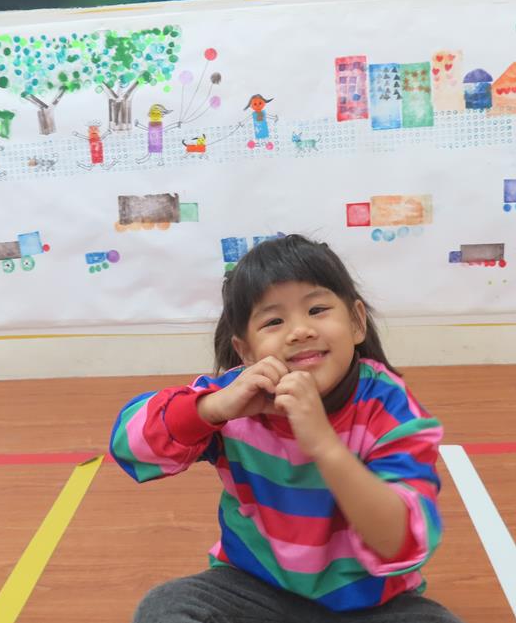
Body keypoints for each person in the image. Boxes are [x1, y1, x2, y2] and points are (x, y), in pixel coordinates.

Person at [110, 234, 463, 623]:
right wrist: (213, 407)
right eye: (274, 321)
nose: (300, 331)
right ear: (246, 351)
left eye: (317, 309)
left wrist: (325, 447)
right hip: (253, 588)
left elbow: (400, 542)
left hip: (371, 601)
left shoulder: (390, 408)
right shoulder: (236, 397)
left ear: (356, 322)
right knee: (164, 607)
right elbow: (130, 448)